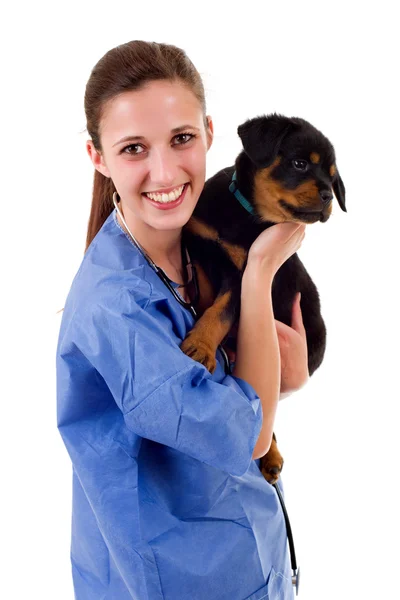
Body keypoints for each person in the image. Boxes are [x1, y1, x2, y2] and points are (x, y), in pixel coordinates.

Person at [56, 40, 308, 600]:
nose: (165, 171)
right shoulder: (116, 308)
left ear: (210, 134)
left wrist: (274, 382)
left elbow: (224, 404)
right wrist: (262, 271)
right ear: (98, 157)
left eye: (182, 139)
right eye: (133, 149)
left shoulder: (198, 251)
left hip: (251, 564)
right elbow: (247, 433)